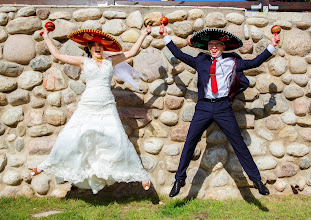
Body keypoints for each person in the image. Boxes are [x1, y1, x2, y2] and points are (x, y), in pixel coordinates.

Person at [160, 27, 280, 197]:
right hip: (204, 107)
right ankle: (179, 179)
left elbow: (254, 62)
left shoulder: (233, 62)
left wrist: (272, 46)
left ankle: (257, 180)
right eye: (211, 45)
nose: (214, 47)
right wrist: (166, 36)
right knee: (190, 142)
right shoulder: (200, 61)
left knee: (238, 143)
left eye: (217, 44)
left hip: (223, 107)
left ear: (223, 48)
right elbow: (180, 55)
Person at [31, 26, 152, 194]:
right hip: (87, 105)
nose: (97, 47)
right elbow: (58, 55)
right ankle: (48, 163)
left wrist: (143, 34)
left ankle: (141, 175)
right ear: (89, 48)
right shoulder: (83, 62)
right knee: (72, 135)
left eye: (100, 45)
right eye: (94, 45)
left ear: (103, 48)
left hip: (106, 106)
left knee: (117, 139)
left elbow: (131, 52)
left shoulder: (111, 61)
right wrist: (46, 37)